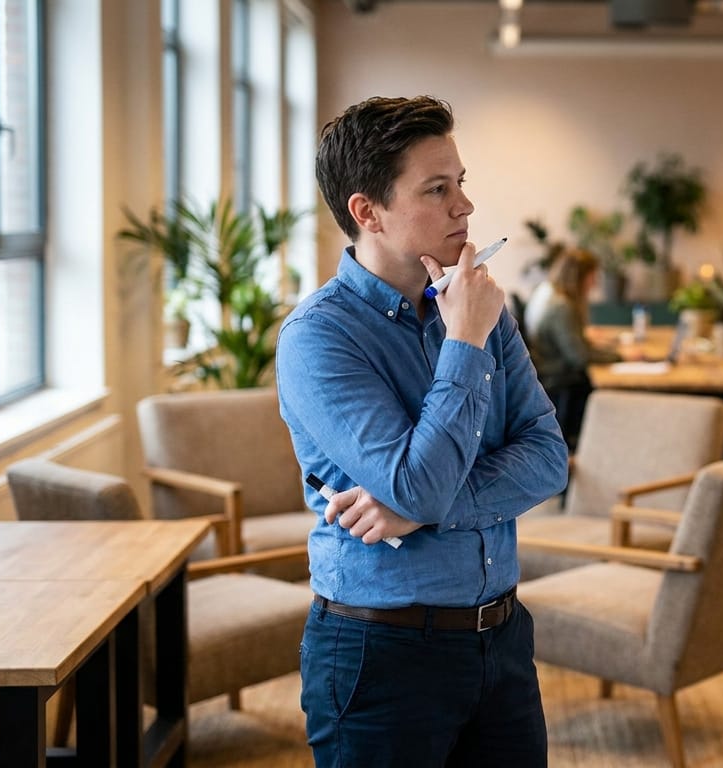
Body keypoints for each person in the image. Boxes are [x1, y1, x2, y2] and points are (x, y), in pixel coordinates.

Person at [275, 95, 568, 767]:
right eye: (437, 189)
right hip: (382, 652)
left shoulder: (478, 304)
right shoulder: (319, 337)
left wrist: (418, 515)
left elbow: (549, 458)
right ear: (366, 211)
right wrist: (465, 340)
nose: (463, 206)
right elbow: (417, 482)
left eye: (460, 184)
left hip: (501, 637)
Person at [525, 248, 622, 448]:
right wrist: (620, 356)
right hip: (559, 379)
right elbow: (579, 357)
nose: (594, 283)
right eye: (593, 277)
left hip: (547, 373)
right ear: (580, 276)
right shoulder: (562, 307)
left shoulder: (550, 293)